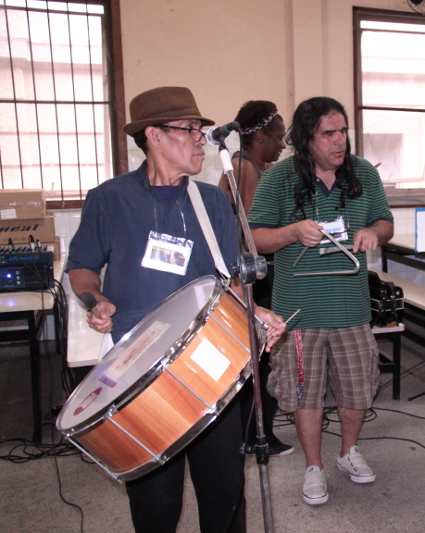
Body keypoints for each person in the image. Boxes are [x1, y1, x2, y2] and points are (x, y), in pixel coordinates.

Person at [66, 86, 286, 533]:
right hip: (136, 368)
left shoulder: (211, 204)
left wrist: (255, 312)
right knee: (155, 497)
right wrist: (97, 299)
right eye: (189, 130)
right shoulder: (110, 199)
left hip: (208, 362)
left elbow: (232, 279)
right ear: (154, 135)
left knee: (224, 487)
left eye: (201, 130)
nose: (200, 139)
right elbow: (82, 268)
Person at [248, 96, 394, 506]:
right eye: (328, 133)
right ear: (305, 139)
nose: (339, 141)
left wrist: (373, 233)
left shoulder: (363, 173)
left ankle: (348, 452)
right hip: (298, 308)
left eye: (343, 131)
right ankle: (314, 465)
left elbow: (385, 221)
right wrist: (293, 231)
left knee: (357, 386)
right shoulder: (277, 179)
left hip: (350, 306)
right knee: (303, 392)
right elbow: (255, 235)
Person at [218, 100, 293, 457]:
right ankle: (253, 433)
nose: (281, 145)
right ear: (260, 137)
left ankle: (252, 430)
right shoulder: (243, 168)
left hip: (257, 272)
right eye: (277, 138)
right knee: (259, 356)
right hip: (252, 275)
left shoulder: (251, 167)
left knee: (262, 356)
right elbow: (251, 233)